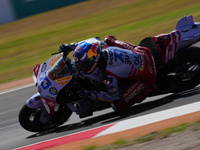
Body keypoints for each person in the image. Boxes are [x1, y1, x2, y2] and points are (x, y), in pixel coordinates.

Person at [59, 36, 159, 112]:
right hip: (142, 51)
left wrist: (91, 94)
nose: (80, 68)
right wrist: (69, 47)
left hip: (147, 74)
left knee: (118, 105)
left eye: (83, 65)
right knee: (107, 39)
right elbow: (90, 41)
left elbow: (114, 97)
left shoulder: (107, 75)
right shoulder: (98, 46)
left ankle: (150, 89)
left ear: (94, 60)